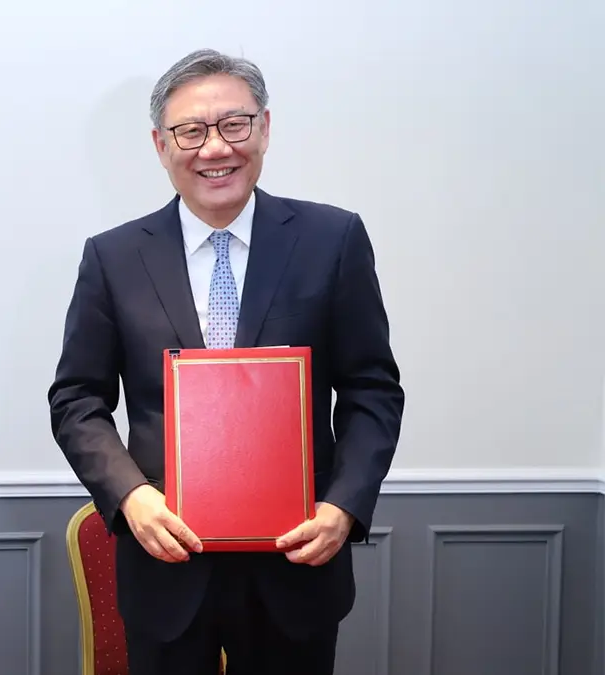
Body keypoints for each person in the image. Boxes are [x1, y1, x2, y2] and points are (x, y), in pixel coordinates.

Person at [47, 49, 405, 675]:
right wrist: (131, 496)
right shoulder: (114, 257)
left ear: (264, 128)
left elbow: (371, 389)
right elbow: (77, 399)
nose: (215, 147)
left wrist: (343, 505)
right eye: (191, 131)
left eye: (234, 124)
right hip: (166, 563)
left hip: (297, 564)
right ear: (161, 145)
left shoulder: (332, 239)